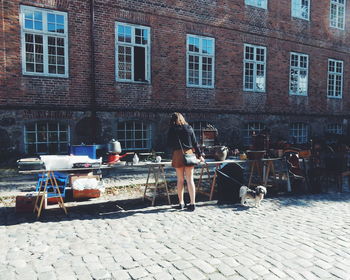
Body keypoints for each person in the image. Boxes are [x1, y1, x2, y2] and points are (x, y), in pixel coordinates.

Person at [167, 112, 204, 211]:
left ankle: (181, 203)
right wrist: (200, 155)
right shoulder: (189, 128)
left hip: (178, 154)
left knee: (180, 180)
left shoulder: (172, 129)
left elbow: (168, 143)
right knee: (190, 179)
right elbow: (195, 143)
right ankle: (192, 203)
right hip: (189, 153)